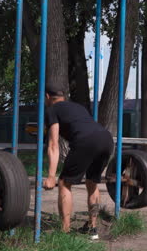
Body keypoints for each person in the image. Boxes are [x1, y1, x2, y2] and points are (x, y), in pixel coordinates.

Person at [42, 85, 113, 240]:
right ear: (63, 96)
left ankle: (65, 231)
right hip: (106, 139)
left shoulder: (52, 110)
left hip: (85, 142)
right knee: (92, 182)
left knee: (64, 183)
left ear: (47, 96)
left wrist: (51, 176)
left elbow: (53, 144)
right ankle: (92, 229)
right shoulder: (77, 107)